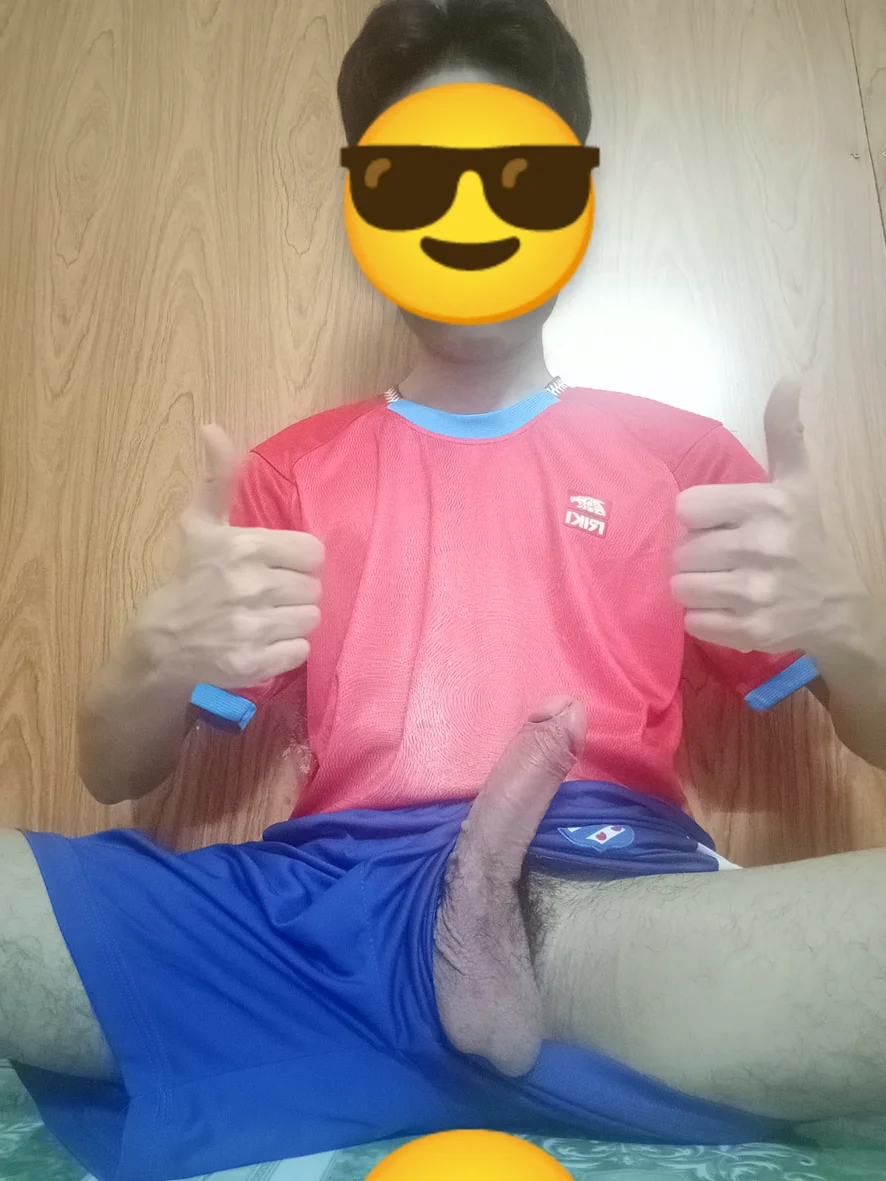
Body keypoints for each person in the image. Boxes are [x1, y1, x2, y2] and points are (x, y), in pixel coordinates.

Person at [3, 2, 886, 1179]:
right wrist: (149, 661)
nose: (469, 218)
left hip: (598, 906)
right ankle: (436, 1018)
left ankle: (448, 988)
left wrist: (846, 625)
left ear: (576, 199)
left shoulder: (684, 459)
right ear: (364, 205)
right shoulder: (288, 471)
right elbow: (115, 770)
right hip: (309, 912)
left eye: (521, 181)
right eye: (414, 182)